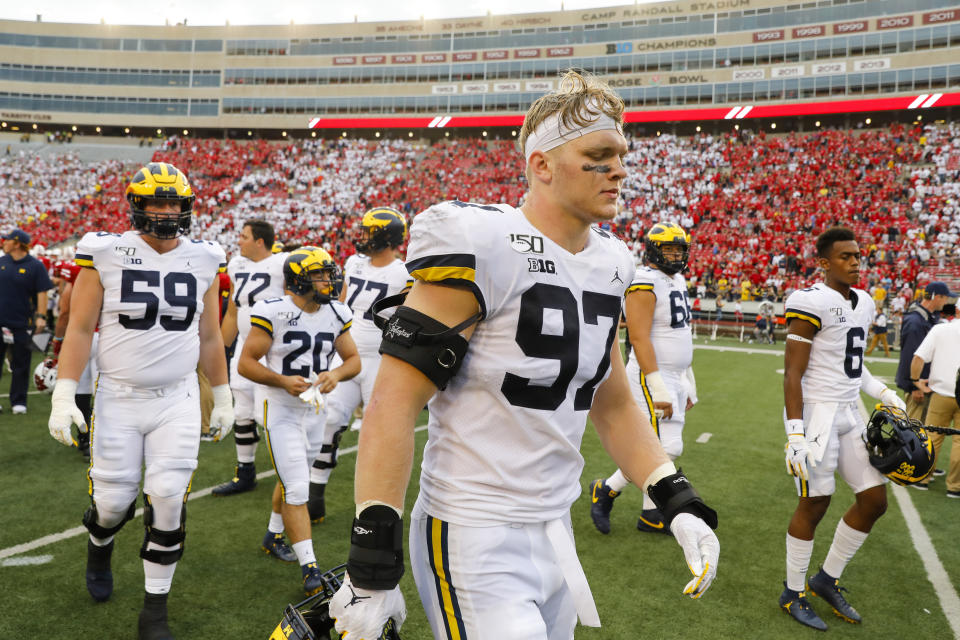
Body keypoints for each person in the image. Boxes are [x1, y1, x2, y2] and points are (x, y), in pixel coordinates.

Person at [328, 70, 720, 640]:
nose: (618, 169)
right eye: (598, 155)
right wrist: (371, 557)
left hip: (555, 526)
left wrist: (672, 493)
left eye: (621, 155)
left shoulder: (613, 262)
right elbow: (392, 401)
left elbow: (609, 398)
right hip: (472, 528)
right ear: (541, 165)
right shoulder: (482, 241)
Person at [47, 162, 234, 640]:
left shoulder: (205, 258)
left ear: (187, 206)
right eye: (156, 202)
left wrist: (226, 393)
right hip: (119, 397)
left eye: (174, 202)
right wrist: (65, 391)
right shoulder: (106, 253)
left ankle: (155, 610)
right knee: (112, 504)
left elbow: (210, 336)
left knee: (169, 498)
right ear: (136, 205)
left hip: (178, 397)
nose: (167, 212)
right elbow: (81, 328)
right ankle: (100, 544)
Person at [779, 226, 907, 631]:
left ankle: (826, 578)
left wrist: (882, 390)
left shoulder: (865, 302)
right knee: (815, 503)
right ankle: (793, 591)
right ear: (823, 262)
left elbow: (852, 363)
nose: (855, 263)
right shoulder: (809, 301)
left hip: (851, 409)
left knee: (874, 501)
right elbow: (793, 373)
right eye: (845, 257)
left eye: (857, 256)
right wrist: (795, 433)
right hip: (816, 413)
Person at [238, 246, 360, 595]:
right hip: (280, 407)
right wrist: (280, 381)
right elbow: (246, 363)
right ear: (297, 281)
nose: (328, 280)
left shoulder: (336, 312)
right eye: (319, 275)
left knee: (295, 478)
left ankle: (273, 534)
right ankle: (311, 569)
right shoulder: (273, 311)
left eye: (327, 273)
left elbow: (353, 360)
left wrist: (336, 373)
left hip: (315, 407)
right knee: (296, 487)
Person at [589, 223, 699, 535]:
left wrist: (688, 380)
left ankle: (650, 513)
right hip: (652, 374)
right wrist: (658, 384)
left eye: (679, 248)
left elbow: (681, 334)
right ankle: (606, 490)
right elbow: (639, 337)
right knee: (658, 446)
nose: (675, 254)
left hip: (675, 374)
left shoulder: (675, 279)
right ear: (653, 250)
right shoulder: (645, 280)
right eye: (668, 249)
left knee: (670, 447)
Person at [306, 207, 411, 524]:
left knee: (379, 434)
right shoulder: (353, 263)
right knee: (327, 417)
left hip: (382, 359)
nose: (362, 236)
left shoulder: (404, 273)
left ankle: (375, 506)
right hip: (347, 354)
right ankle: (314, 495)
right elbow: (339, 306)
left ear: (386, 236)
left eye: (369, 231)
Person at [212, 219, 288, 497]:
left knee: (270, 413)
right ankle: (245, 471)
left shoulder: (283, 264)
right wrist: (220, 348)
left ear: (260, 241)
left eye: (244, 236)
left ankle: (288, 471)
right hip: (244, 346)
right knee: (242, 409)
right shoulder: (236, 265)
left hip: (274, 349)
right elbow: (233, 311)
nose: (239, 241)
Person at [0, 228, 54, 414]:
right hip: (1, 321)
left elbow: (42, 292)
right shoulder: (2, 262)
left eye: (6, 240)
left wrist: (41, 316)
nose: (3, 242)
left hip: (23, 322)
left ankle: (18, 401)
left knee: (21, 363)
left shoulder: (35, 266)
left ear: (17, 243)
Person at [909, 313, 960, 495]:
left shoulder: (940, 329)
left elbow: (918, 358)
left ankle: (923, 479)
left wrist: (916, 380)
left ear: (956, 310)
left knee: (932, 437)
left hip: (941, 392)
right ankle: (955, 487)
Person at [895, 282, 954, 419]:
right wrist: (914, 386)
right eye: (945, 298)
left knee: (921, 431)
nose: (946, 302)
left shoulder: (926, 318)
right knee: (913, 430)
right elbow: (910, 356)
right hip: (918, 387)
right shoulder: (916, 321)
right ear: (937, 297)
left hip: (925, 384)